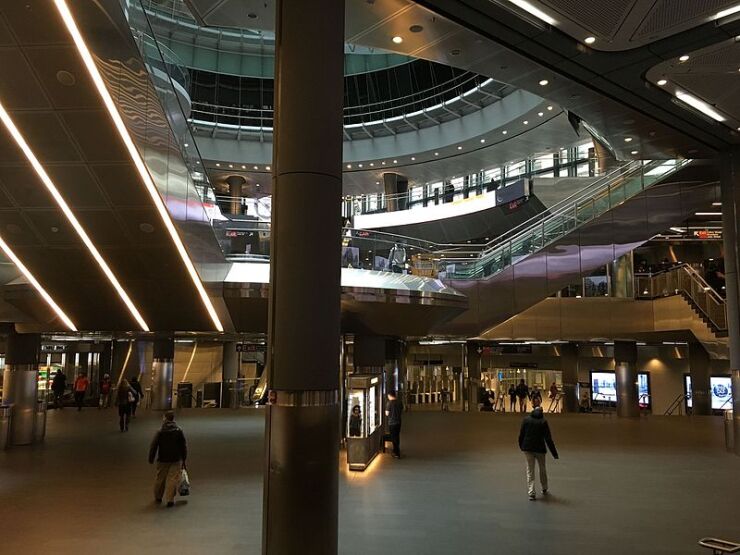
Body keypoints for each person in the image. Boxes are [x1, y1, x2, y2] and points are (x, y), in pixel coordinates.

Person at [518, 398, 559, 500]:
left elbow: (521, 435)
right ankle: (544, 487)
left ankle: (531, 492)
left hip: (527, 448)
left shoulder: (526, 420)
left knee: (530, 470)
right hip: (540, 449)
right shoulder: (543, 421)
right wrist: (554, 453)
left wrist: (522, 446)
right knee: (542, 468)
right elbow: (548, 439)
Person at [149, 411, 188, 507]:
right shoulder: (179, 431)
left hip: (162, 458)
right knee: (172, 479)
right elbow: (183, 446)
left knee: (160, 478)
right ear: (173, 419)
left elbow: (153, 445)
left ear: (165, 418)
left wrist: (151, 457)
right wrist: (184, 458)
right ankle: (170, 499)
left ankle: (158, 496)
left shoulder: (160, 431)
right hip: (175, 459)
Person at [386, 390, 403, 459]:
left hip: (392, 422)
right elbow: (402, 409)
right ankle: (396, 450)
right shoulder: (399, 402)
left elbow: (387, 413)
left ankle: (396, 452)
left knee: (393, 437)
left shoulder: (389, 403)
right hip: (398, 422)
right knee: (397, 436)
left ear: (390, 395)